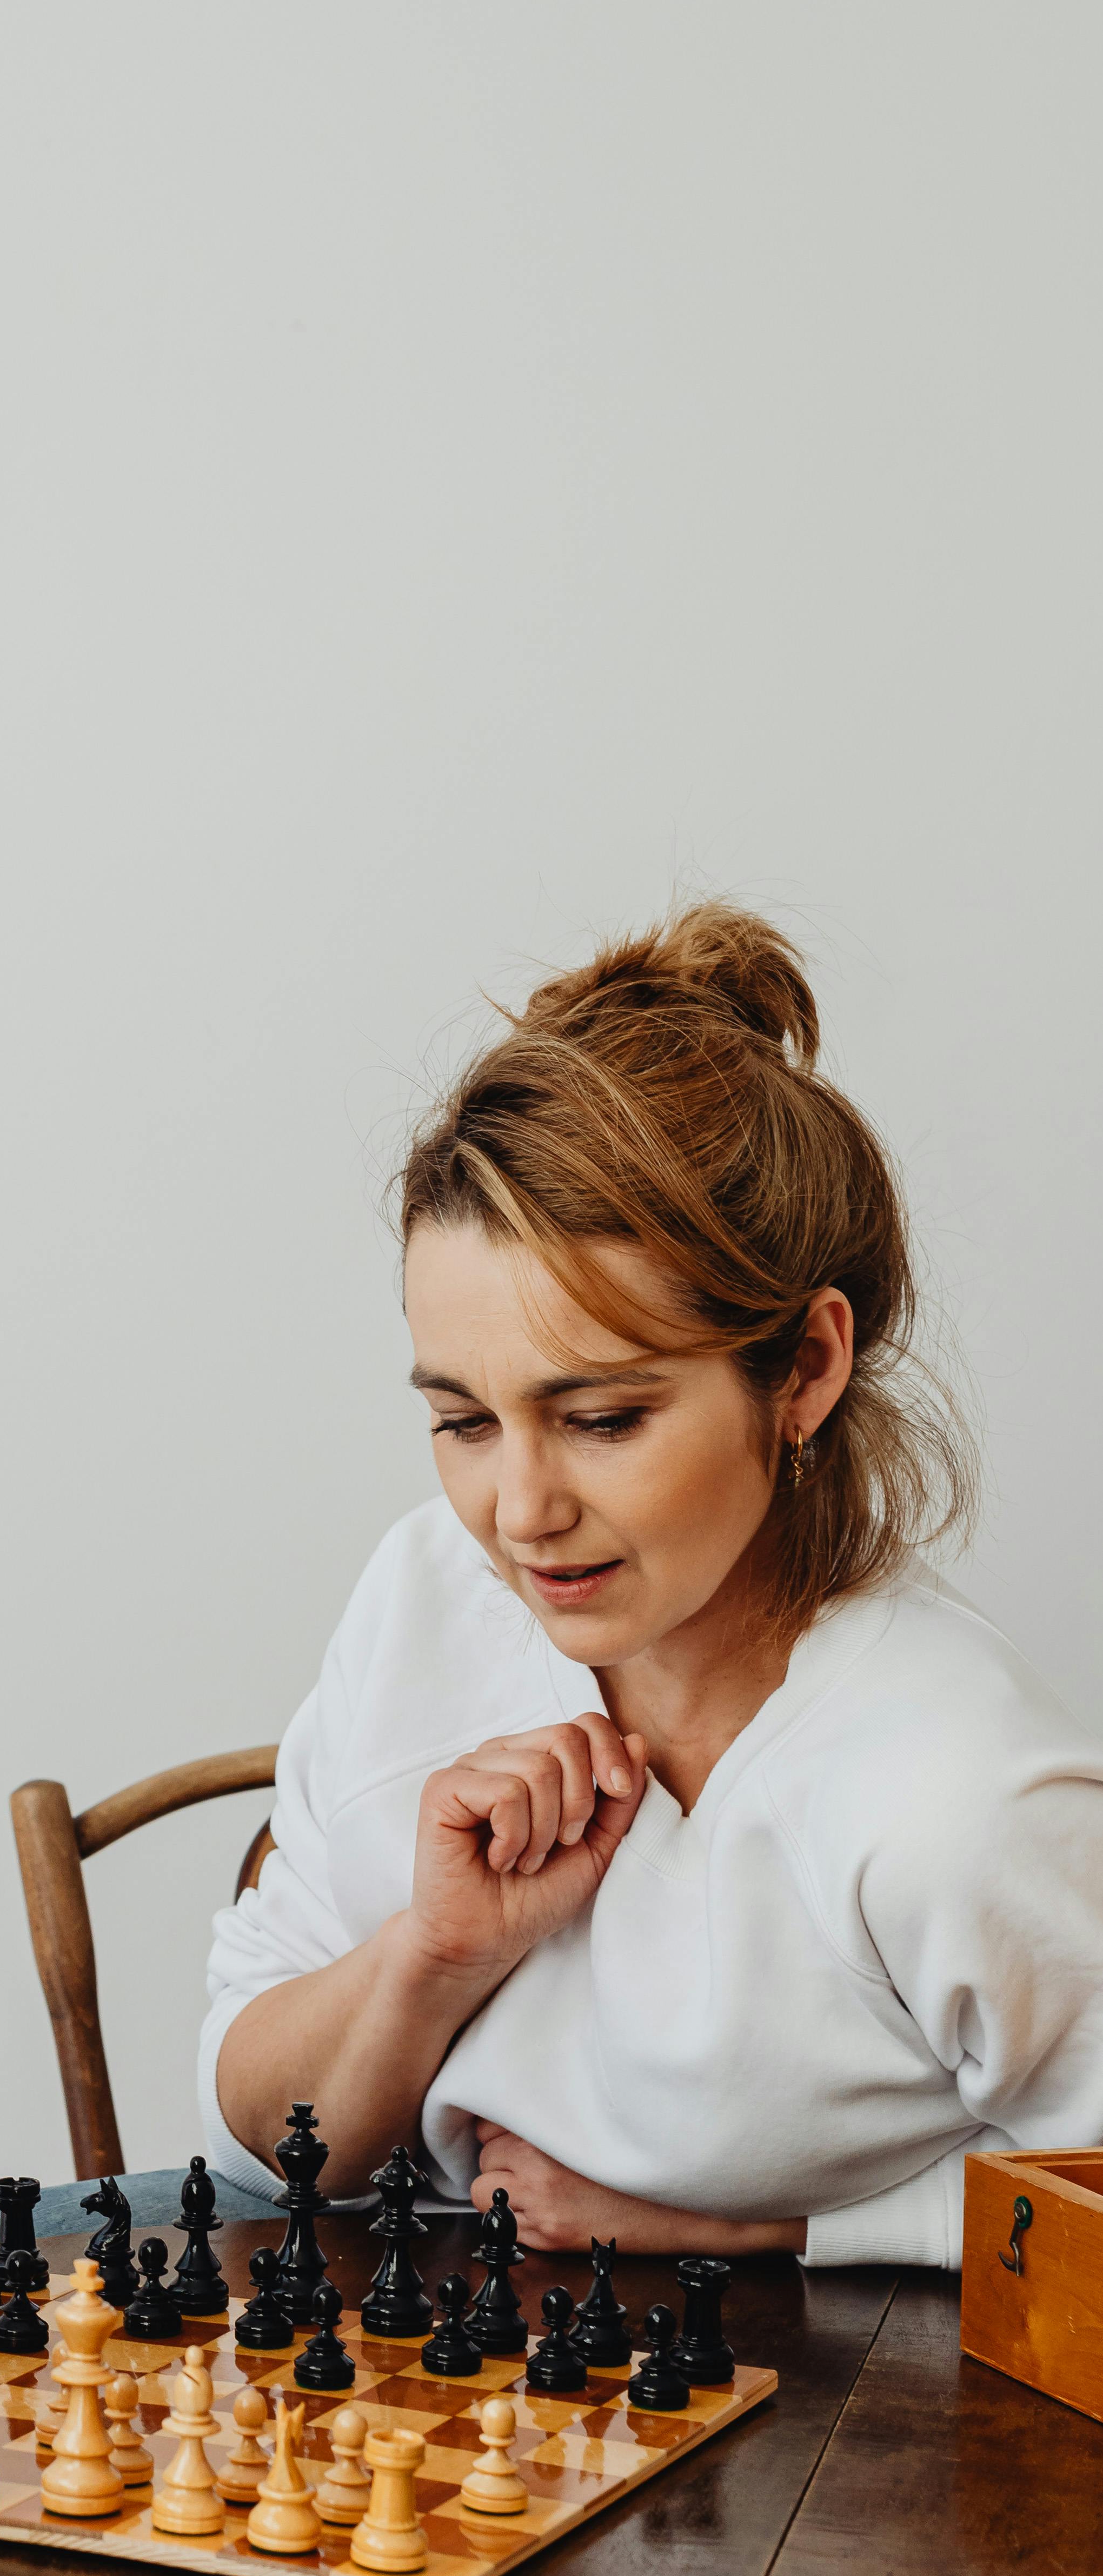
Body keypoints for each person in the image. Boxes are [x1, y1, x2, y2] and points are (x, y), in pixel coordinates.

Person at [203, 906, 1103, 2266]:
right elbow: (250, 2129)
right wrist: (432, 1959)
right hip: (394, 2350)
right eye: (462, 1420)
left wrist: (754, 2227)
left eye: (604, 1417)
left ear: (802, 1367)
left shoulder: (956, 1797)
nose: (517, 1514)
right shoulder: (425, 1590)